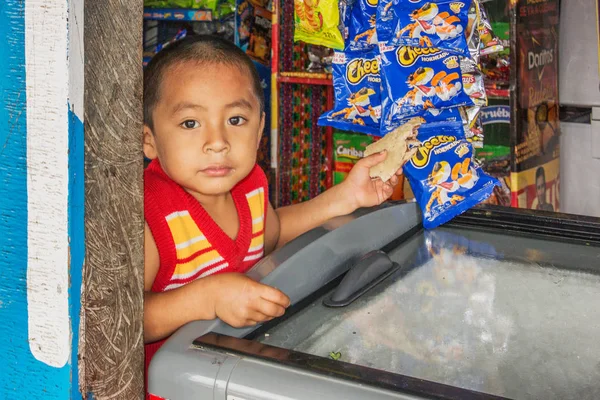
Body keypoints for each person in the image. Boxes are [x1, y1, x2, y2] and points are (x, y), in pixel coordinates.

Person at [143, 35, 405, 378]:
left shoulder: (250, 185)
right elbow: (128, 319)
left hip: (234, 371)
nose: (218, 143)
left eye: (236, 120)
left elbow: (273, 232)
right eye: (190, 123)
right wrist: (208, 296)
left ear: (260, 128)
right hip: (172, 384)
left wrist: (345, 198)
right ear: (149, 140)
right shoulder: (150, 213)